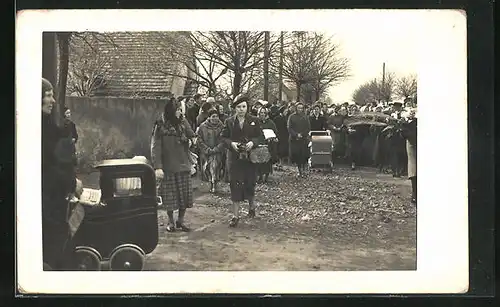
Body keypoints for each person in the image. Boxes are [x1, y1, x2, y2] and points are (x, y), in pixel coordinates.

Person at [42, 78, 81, 270]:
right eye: (48, 96)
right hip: (47, 200)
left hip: (54, 197)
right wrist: (72, 183)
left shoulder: (47, 125)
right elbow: (50, 167)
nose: (52, 101)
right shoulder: (39, 130)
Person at [151, 98, 197, 232]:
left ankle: (180, 221)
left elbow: (192, 135)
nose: (180, 113)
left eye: (181, 110)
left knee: (184, 196)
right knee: (170, 197)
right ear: (171, 111)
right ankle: (171, 222)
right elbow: (156, 147)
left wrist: (192, 141)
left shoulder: (183, 121)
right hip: (168, 166)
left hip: (183, 164)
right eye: (178, 110)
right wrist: (158, 166)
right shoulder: (160, 125)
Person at [221, 94, 264, 227]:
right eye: (239, 107)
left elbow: (260, 136)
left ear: (247, 107)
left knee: (250, 183)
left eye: (244, 106)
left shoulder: (254, 120)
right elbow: (223, 138)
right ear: (235, 108)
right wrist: (231, 144)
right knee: (235, 185)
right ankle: (235, 215)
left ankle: (252, 207)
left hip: (250, 158)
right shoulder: (229, 121)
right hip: (235, 159)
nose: (241, 109)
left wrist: (253, 142)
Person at [196, 108, 225, 193]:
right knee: (207, 168)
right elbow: (199, 139)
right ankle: (210, 182)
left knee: (216, 167)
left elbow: (223, 139)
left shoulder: (221, 126)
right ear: (209, 117)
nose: (215, 118)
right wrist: (206, 149)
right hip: (206, 152)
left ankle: (214, 184)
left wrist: (217, 148)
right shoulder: (202, 126)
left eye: (217, 116)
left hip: (217, 151)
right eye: (213, 116)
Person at [287, 102, 311, 178]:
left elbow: (308, 127)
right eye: (298, 108)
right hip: (294, 139)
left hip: (303, 139)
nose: (300, 109)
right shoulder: (292, 117)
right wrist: (296, 134)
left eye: (301, 108)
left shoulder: (305, 117)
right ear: (296, 108)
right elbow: (289, 127)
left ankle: (303, 170)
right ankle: (299, 170)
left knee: (303, 155)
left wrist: (302, 134)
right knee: (296, 155)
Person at [256, 107, 278, 183]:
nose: (262, 114)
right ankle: (260, 176)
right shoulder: (256, 122)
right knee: (259, 160)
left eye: (264, 113)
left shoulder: (270, 122)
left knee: (267, 161)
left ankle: (266, 176)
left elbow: (275, 132)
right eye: (261, 112)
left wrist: (272, 137)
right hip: (259, 143)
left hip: (268, 144)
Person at [401, 109, 417, 204]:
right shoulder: (407, 122)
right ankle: (415, 194)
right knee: (414, 170)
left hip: (415, 145)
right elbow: (404, 134)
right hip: (412, 145)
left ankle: (415, 195)